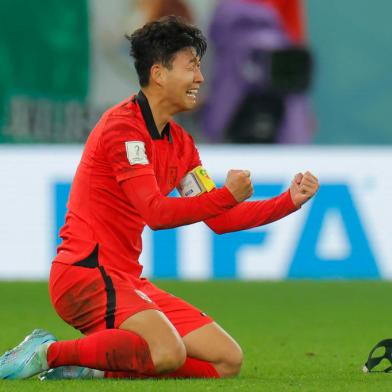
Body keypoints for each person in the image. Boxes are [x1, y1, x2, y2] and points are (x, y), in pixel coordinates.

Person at [0, 16, 319, 380]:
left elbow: (221, 220)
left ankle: (91, 368)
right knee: (167, 350)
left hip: (126, 279)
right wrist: (226, 195)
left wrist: (288, 201)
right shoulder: (123, 127)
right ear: (159, 74)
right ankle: (47, 352)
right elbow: (156, 213)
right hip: (85, 273)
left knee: (226, 360)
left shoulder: (181, 144)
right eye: (192, 67)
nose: (200, 79)